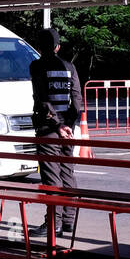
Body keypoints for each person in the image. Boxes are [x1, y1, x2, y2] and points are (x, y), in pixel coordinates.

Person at [29, 27, 83, 239]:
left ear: (40, 47)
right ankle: (68, 221)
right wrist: (69, 123)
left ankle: (54, 222)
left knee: (51, 175)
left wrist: (58, 124)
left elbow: (43, 99)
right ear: (58, 46)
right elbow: (76, 98)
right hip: (68, 130)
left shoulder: (37, 66)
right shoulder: (70, 67)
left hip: (49, 128)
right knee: (67, 171)